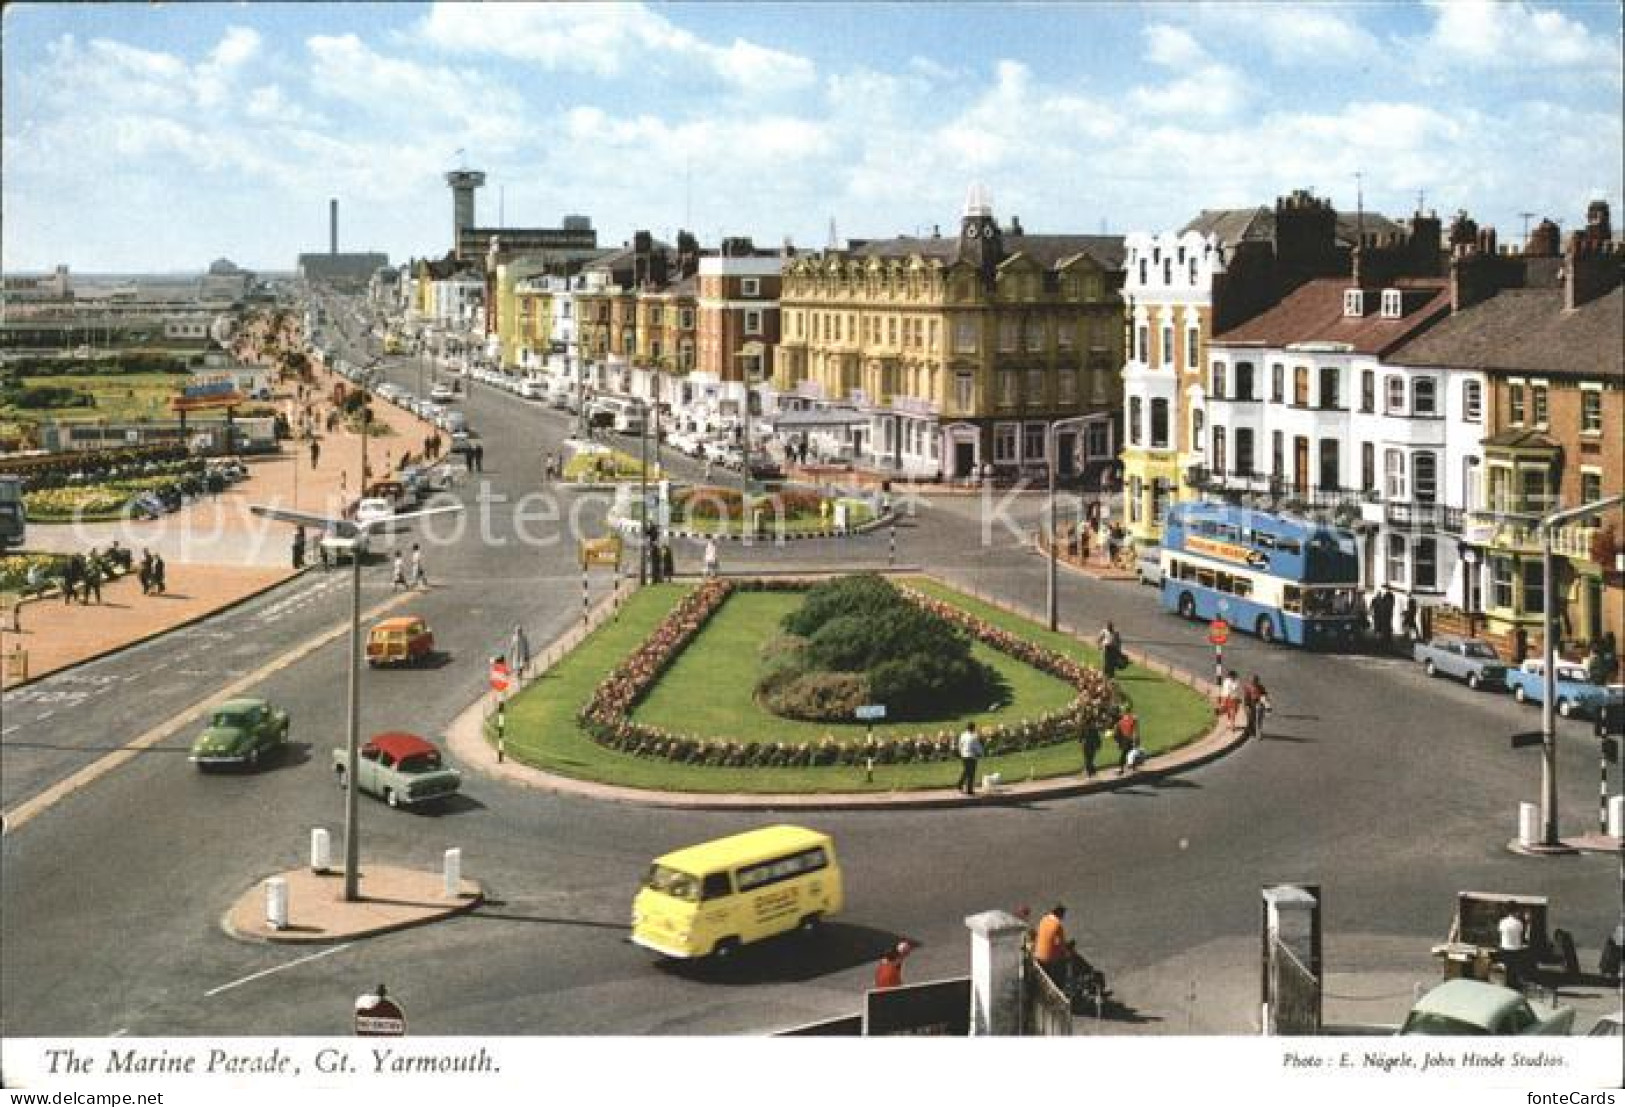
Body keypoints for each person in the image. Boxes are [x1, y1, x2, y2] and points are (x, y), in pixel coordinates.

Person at [1034, 906, 1070, 991]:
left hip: (1038, 955)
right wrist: (1066, 953)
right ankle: (1061, 987)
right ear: (1060, 914)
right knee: (1065, 961)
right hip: (1049, 959)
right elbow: (1060, 944)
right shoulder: (1057, 925)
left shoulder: (1043, 919)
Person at [1497, 902, 1527, 986]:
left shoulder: (1502, 922)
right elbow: (1521, 936)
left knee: (1507, 970)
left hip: (1505, 949)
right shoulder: (1519, 923)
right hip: (1516, 950)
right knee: (1515, 971)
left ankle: (1507, 985)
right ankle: (1514, 986)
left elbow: (1500, 934)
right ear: (1516, 911)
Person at [956, 721, 983, 795]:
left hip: (964, 755)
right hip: (971, 756)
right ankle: (969, 790)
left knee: (966, 771)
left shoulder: (963, 735)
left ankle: (959, 785)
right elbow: (977, 747)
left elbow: (960, 744)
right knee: (971, 774)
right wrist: (980, 753)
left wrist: (961, 753)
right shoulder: (973, 737)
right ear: (973, 728)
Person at [1242, 674, 1271, 740]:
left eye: (1255, 680)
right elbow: (1246, 697)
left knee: (1259, 719)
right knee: (1251, 718)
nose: (1254, 682)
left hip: (1260, 704)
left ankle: (1258, 733)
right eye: (1253, 680)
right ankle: (1250, 731)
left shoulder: (1261, 687)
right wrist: (1247, 705)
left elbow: (1264, 696)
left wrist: (1267, 706)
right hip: (1251, 703)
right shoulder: (1248, 687)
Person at [1114, 708, 1138, 775]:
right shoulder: (1122, 722)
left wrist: (1117, 742)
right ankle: (1124, 768)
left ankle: (1126, 767)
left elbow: (1117, 734)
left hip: (1126, 739)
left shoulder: (1122, 722)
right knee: (1127, 753)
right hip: (1126, 740)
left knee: (1129, 753)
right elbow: (1117, 733)